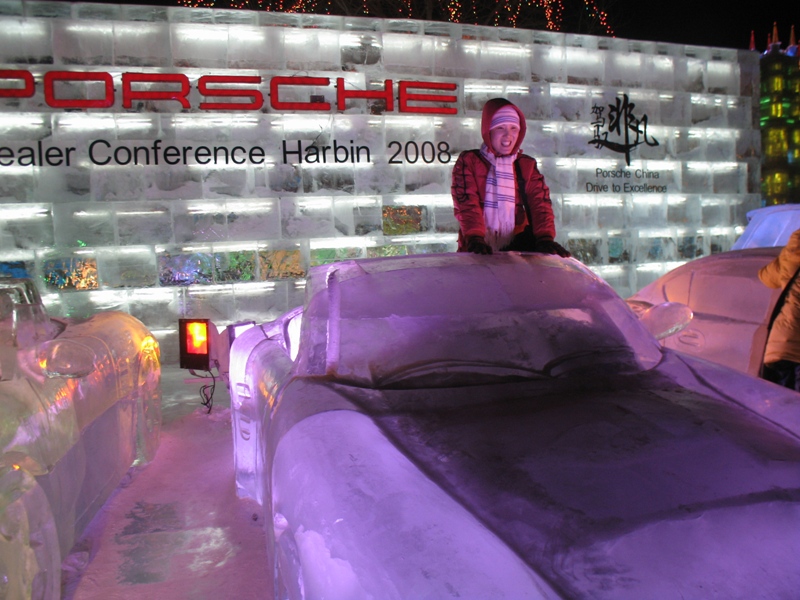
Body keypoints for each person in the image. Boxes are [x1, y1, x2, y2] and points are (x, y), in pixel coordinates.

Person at [451, 97, 569, 257]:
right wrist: (474, 237)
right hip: (478, 249)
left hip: (517, 252)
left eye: (514, 128)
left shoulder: (526, 165)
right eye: (500, 128)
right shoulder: (469, 161)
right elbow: (467, 203)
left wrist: (545, 237)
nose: (508, 135)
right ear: (488, 130)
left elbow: (540, 203)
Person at [759, 227, 800, 391]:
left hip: (779, 348)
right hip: (796, 351)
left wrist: (784, 261)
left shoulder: (793, 250)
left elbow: (766, 277)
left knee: (780, 410)